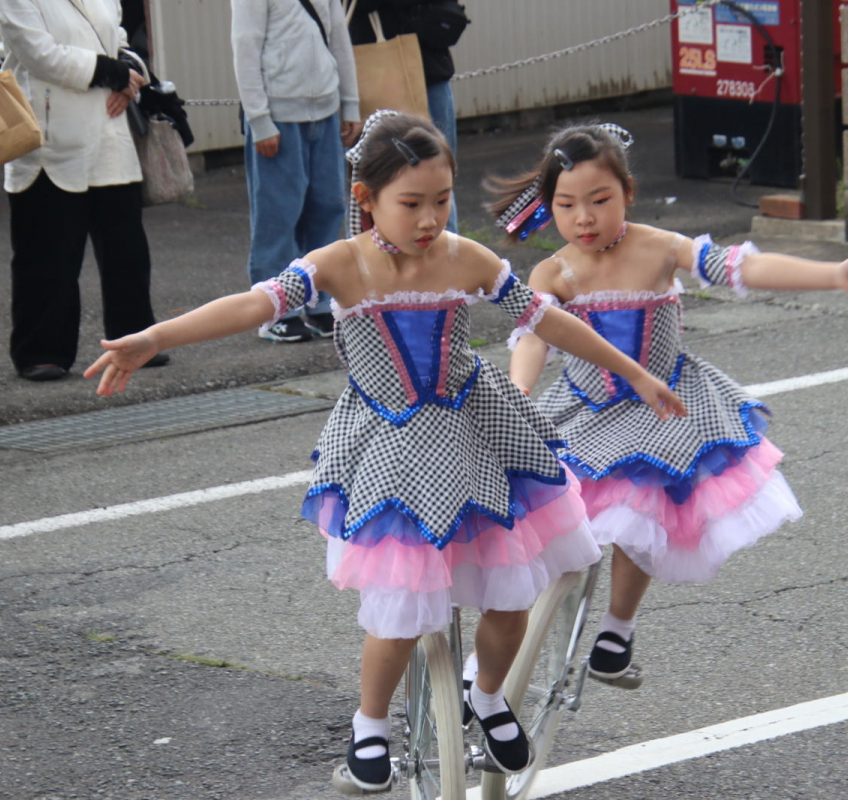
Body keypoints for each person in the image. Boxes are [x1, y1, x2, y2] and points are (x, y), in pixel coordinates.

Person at [84, 111, 686, 793]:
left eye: (441, 200)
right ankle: (370, 726)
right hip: (389, 440)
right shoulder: (339, 265)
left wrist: (636, 373)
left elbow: (544, 319)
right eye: (411, 204)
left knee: (510, 590)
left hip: (476, 425)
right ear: (367, 201)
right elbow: (254, 307)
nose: (429, 218)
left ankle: (487, 697)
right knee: (402, 598)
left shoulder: (467, 259)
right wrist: (155, 337)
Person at [494, 123, 848, 687]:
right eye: (566, 205)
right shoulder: (552, 272)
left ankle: (615, 630)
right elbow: (533, 336)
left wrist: (834, 275)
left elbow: (742, 268)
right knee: (544, 511)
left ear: (628, 193)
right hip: (584, 409)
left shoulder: (659, 247)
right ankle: (506, 652)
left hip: (663, 410)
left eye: (599, 200)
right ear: (548, 207)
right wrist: (518, 393)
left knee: (643, 508)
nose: (584, 217)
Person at [0, 0, 167, 382]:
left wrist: (130, 75)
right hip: (51, 139)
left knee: (127, 250)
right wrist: (112, 72)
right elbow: (41, 56)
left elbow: (120, 39)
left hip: (109, 131)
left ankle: (135, 337)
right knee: (47, 254)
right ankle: (41, 350)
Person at [232, 0, 362, 343]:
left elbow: (338, 40)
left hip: (326, 109)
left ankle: (321, 304)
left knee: (327, 206)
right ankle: (275, 310)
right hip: (278, 115)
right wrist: (259, 120)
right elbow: (245, 45)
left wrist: (349, 102)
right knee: (279, 214)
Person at [346, 0, 466, 233]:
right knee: (368, 184)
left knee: (439, 178)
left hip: (428, 70)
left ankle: (446, 261)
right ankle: (370, 265)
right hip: (371, 69)